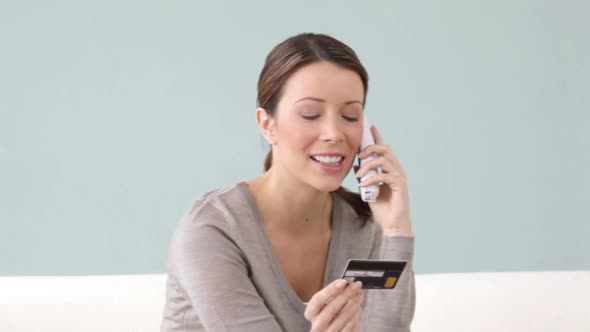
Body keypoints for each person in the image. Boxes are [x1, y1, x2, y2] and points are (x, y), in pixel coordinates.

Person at [161, 32, 415, 332]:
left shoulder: (366, 228)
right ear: (267, 125)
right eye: (310, 114)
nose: (333, 133)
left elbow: (387, 328)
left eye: (350, 116)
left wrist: (396, 229)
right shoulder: (213, 230)